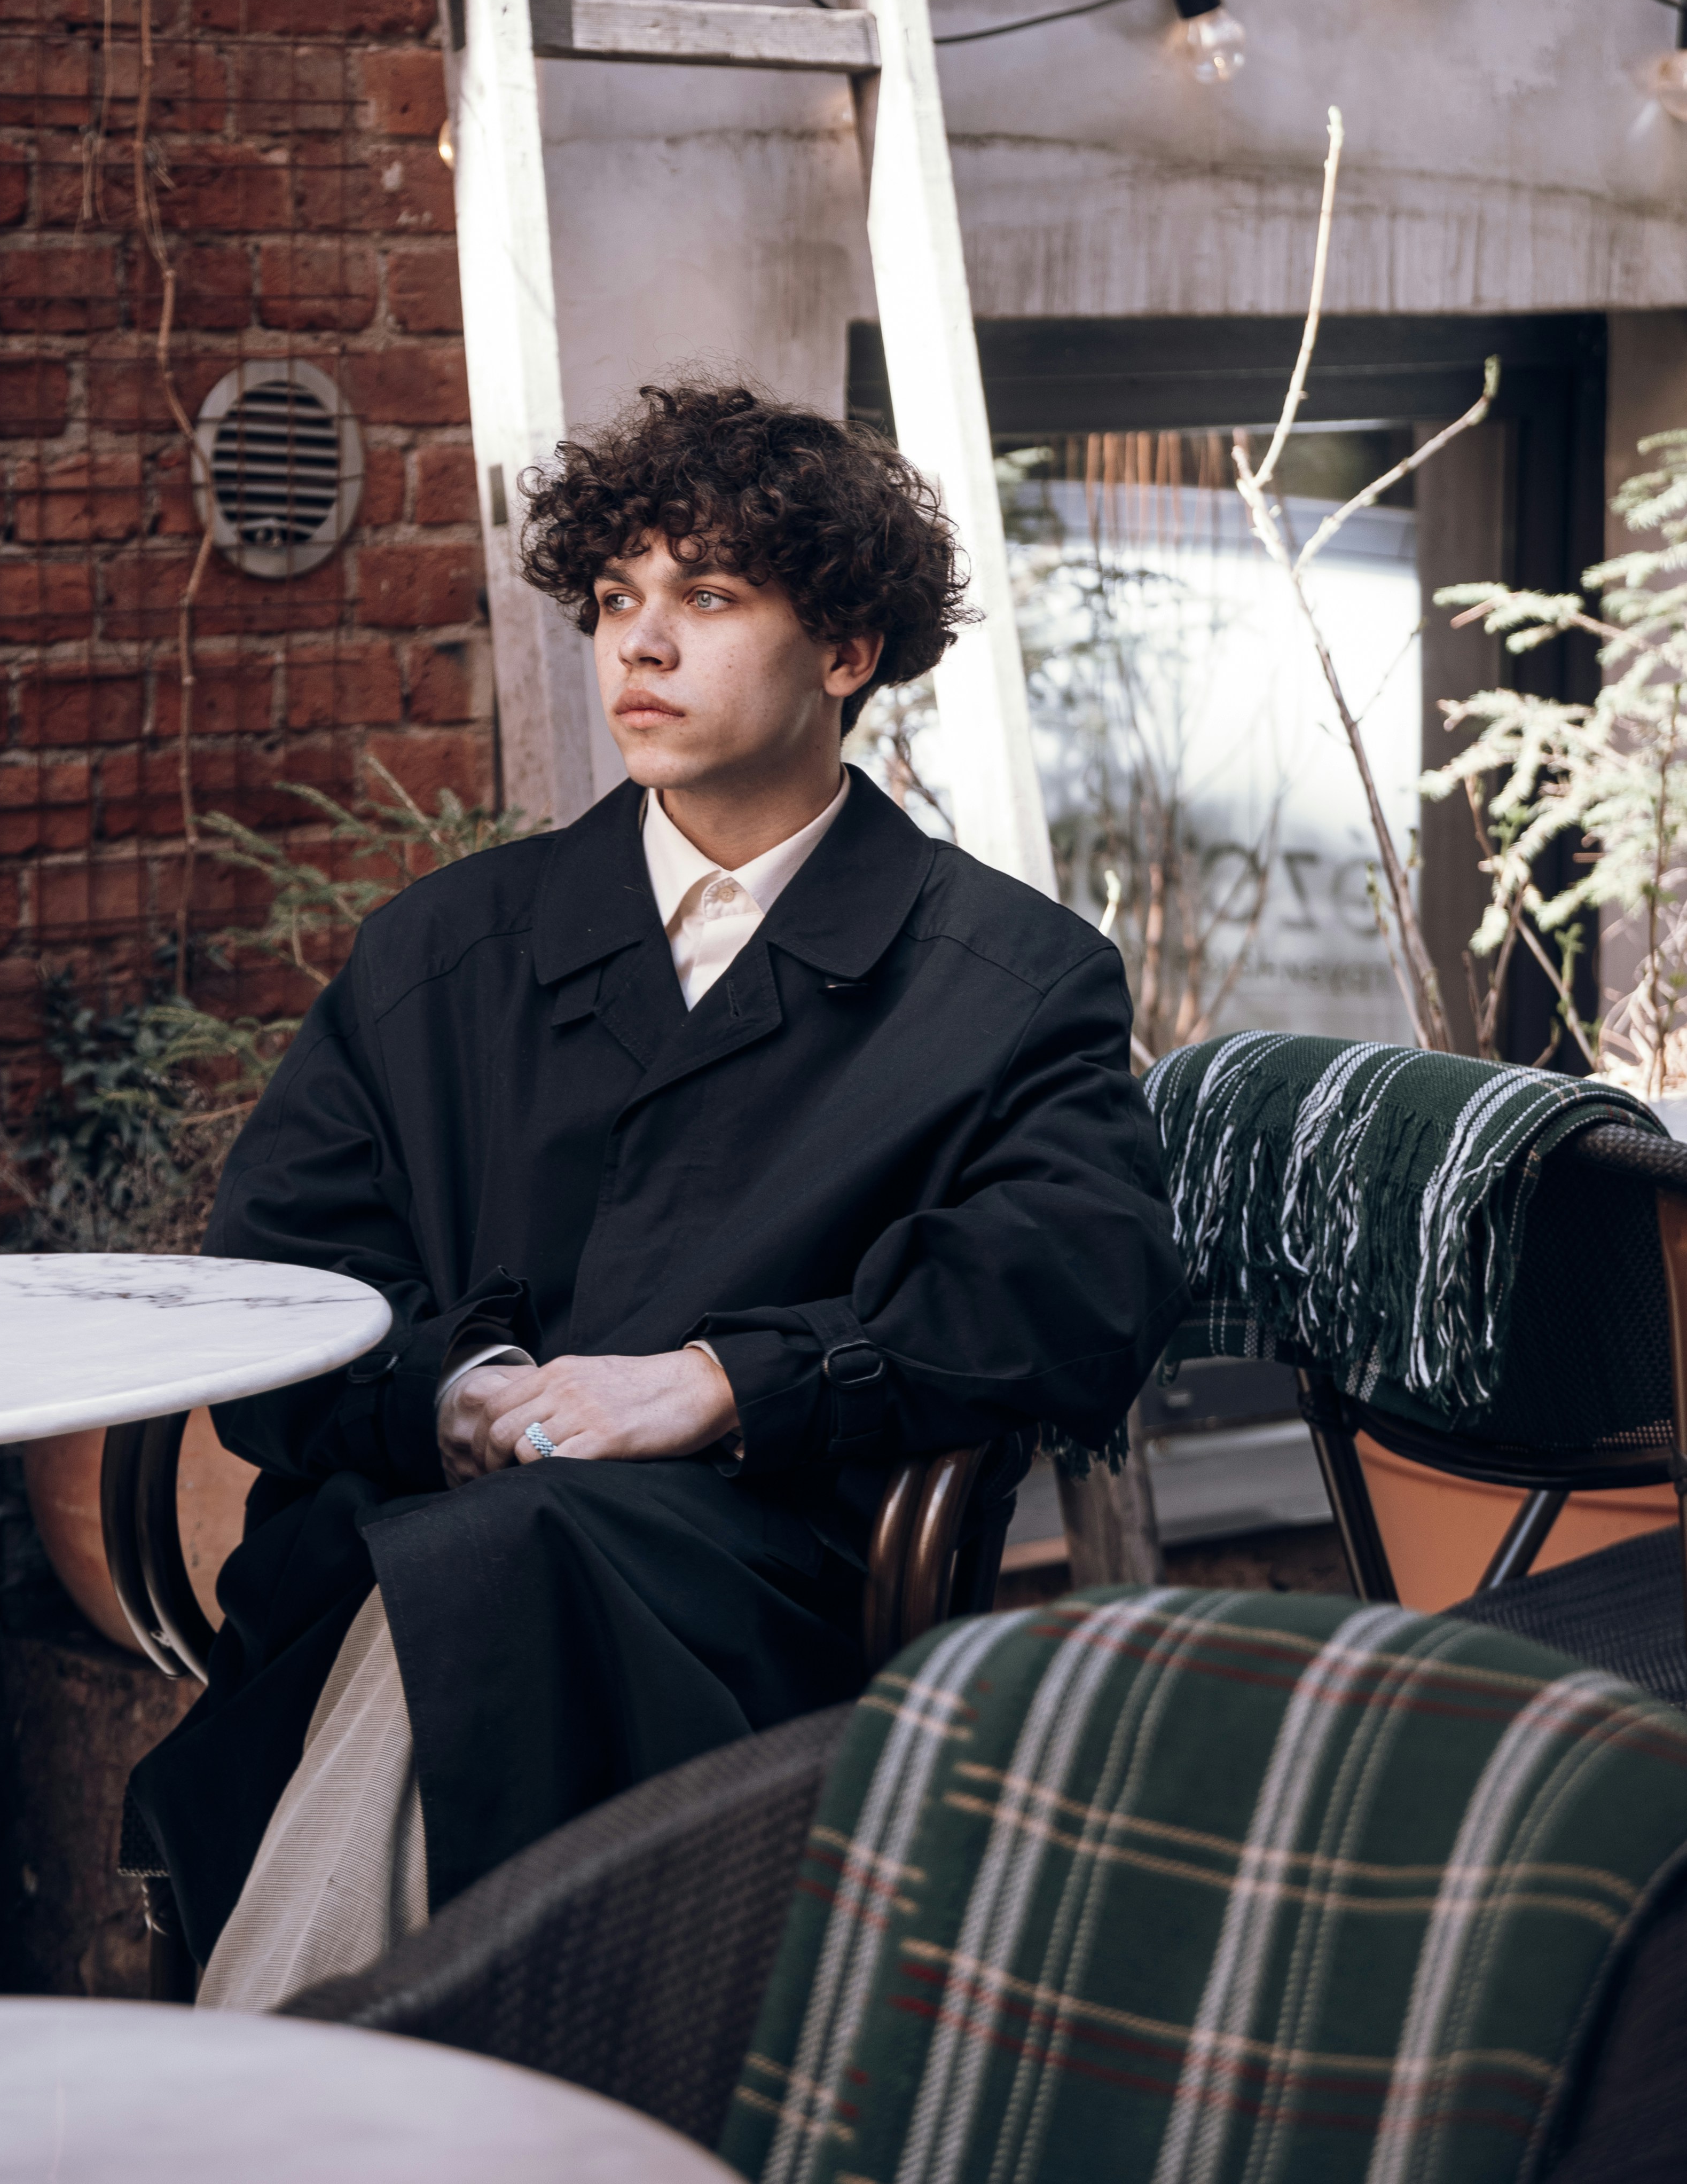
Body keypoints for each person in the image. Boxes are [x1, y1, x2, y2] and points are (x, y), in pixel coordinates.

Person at [127, 381, 1187, 2007]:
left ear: (845, 650)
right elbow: (284, 1266)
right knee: (475, 1555)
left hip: (750, 1583)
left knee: (500, 1573)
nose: (639, 646)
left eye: (706, 597)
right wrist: (460, 1396)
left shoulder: (1008, 982)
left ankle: (243, 2096)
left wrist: (715, 1385)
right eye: (617, 599)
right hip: (399, 1542)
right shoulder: (447, 951)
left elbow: (1072, 1286)